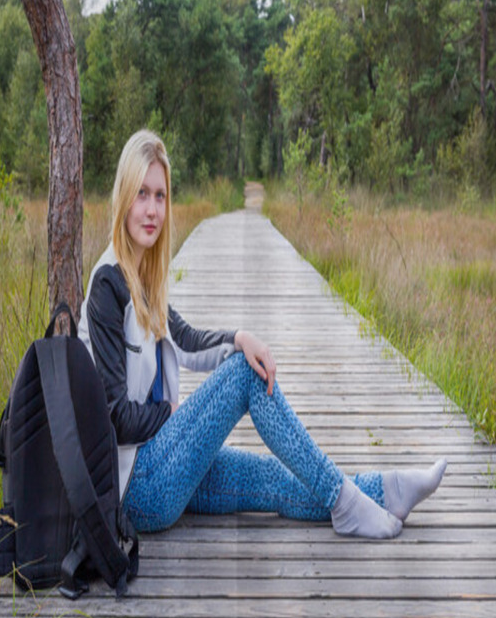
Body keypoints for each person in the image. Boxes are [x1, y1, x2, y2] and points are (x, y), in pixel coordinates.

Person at [78, 129, 447, 539]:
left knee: (271, 478)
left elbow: (183, 339)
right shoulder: (106, 286)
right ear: (123, 198)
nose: (151, 209)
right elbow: (114, 420)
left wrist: (240, 337)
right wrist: (174, 415)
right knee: (243, 375)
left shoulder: (139, 276)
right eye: (141, 194)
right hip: (137, 490)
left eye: (160, 196)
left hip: (165, 463)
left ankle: (385, 490)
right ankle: (347, 505)